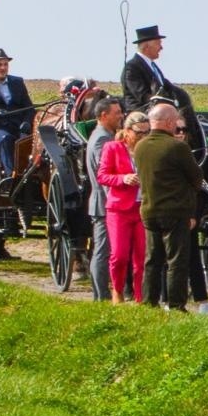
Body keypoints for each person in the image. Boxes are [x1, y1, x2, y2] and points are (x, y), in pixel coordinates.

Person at [134, 102, 206, 310]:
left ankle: (149, 302)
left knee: (152, 260)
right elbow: (196, 177)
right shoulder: (177, 147)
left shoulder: (141, 146)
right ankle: (176, 305)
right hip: (175, 211)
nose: (177, 127)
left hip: (149, 210)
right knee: (176, 261)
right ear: (168, 122)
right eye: (175, 122)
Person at [86, 98, 125, 301]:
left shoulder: (106, 136)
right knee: (102, 251)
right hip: (105, 205)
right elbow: (106, 176)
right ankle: (100, 297)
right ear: (103, 115)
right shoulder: (102, 139)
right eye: (116, 112)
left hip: (107, 204)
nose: (121, 116)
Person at [121, 25, 172, 114]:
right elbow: (143, 96)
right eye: (158, 43)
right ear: (146, 46)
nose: (161, 47)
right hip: (140, 119)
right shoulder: (132, 68)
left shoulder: (154, 67)